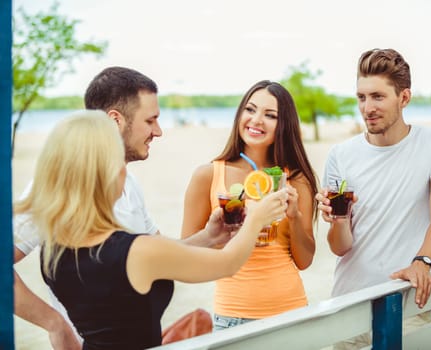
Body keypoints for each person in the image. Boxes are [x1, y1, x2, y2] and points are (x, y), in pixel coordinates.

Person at [14, 111, 287, 349]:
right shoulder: (135, 250)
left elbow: (160, 258)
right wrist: (256, 219)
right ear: (105, 172)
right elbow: (227, 264)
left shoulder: (55, 249)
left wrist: (210, 236)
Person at [12, 67, 230, 349]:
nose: (158, 131)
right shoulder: (56, 191)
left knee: (201, 323)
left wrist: (211, 237)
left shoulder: (129, 186)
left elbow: (157, 257)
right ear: (116, 120)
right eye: (150, 120)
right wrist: (54, 324)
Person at [315, 48, 431, 349]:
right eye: (361, 97)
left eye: (378, 97)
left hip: (407, 305)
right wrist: (339, 219)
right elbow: (340, 247)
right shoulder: (340, 155)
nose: (367, 107)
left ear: (404, 98)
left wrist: (422, 262)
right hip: (349, 306)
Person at [181, 80, 318, 330]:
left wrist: (295, 216)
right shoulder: (208, 175)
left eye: (270, 115)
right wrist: (224, 237)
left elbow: (305, 261)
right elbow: (187, 257)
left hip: (292, 313)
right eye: (250, 109)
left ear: (283, 125)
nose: (256, 120)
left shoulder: (296, 180)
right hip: (233, 316)